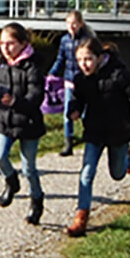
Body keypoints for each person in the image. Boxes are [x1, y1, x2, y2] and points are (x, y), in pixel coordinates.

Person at [65, 37, 130, 237]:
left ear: (100, 57)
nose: (83, 64)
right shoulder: (81, 80)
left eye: (88, 59)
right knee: (86, 173)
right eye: (79, 60)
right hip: (94, 132)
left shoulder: (118, 75)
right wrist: (74, 110)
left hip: (118, 132)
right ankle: (81, 217)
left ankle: (126, 155)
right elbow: (77, 100)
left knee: (118, 174)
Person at [0, 23, 46, 224]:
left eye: (11, 43)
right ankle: (11, 181)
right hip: (4, 121)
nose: (5, 48)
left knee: (29, 168)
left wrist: (18, 102)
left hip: (28, 122)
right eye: (2, 43)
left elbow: (36, 95)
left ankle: (36, 202)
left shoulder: (32, 66)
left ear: (23, 44)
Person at [48, 10, 94, 156]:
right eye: (68, 23)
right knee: (68, 112)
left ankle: (90, 139)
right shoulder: (64, 40)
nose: (71, 26)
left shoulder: (87, 40)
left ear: (80, 24)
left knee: (86, 112)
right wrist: (52, 73)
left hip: (85, 80)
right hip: (69, 79)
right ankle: (68, 143)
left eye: (74, 23)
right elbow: (61, 59)